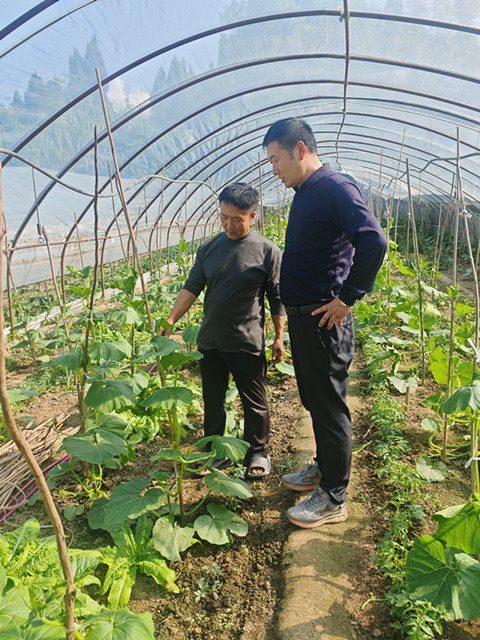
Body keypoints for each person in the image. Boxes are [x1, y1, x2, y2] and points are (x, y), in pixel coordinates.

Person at [263, 117, 387, 527]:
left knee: (330, 406)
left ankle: (334, 497)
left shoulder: (335, 188)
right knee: (314, 400)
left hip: (323, 320)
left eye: (276, 159)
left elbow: (374, 241)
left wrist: (348, 297)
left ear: (300, 150)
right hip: (304, 320)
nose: (274, 169)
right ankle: (323, 466)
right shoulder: (306, 192)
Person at [160, 182, 286, 478]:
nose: (228, 224)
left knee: (253, 402)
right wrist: (170, 320)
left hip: (246, 341)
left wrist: (279, 337)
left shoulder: (267, 251)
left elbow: (277, 298)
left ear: (252, 216)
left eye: (236, 219)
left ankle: (258, 452)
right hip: (211, 341)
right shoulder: (209, 249)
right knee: (212, 401)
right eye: (223, 217)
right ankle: (214, 453)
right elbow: (191, 288)